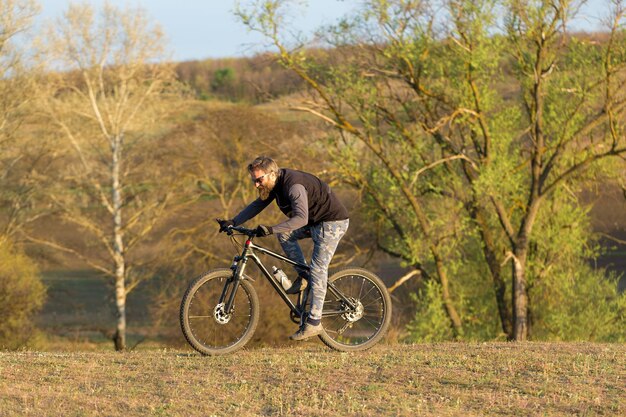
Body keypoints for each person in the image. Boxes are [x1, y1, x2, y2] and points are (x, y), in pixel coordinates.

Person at [217, 156, 349, 341]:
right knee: (284, 235)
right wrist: (233, 221)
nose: (256, 184)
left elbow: (301, 219)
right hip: (314, 221)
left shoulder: (293, 186)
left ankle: (314, 322)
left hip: (332, 223)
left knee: (318, 268)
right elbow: (258, 204)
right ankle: (304, 276)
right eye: (253, 180)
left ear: (271, 174)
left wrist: (271, 229)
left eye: (258, 179)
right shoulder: (274, 184)